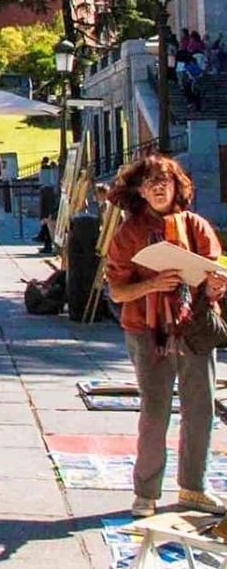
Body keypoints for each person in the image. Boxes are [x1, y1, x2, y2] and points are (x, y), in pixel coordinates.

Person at [105, 155, 227, 517]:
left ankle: (193, 488)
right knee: (155, 412)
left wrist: (217, 285)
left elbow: (214, 276)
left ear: (177, 187)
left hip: (194, 328)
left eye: (165, 181)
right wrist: (153, 284)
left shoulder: (197, 226)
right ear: (139, 191)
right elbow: (117, 293)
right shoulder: (129, 234)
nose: (158, 187)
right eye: (150, 182)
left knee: (200, 410)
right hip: (147, 332)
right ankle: (146, 493)